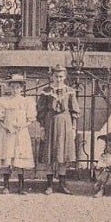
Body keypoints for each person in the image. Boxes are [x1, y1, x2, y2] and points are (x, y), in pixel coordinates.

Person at [36, 64, 79, 195]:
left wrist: (73, 127)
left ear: (64, 77)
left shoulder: (70, 91)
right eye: (56, 76)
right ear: (52, 77)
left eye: (61, 76)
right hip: (50, 123)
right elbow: (41, 111)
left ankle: (62, 184)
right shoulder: (46, 91)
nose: (58, 79)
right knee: (49, 154)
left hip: (65, 123)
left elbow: (74, 111)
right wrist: (42, 127)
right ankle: (49, 185)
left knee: (63, 154)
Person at [0, 74, 36, 194]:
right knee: (7, 157)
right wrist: (6, 127)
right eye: (12, 87)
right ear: (9, 87)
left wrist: (22, 126)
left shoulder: (27, 101)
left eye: (17, 87)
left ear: (22, 88)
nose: (15, 90)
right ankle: (6, 186)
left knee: (19, 158)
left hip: (21, 133)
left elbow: (30, 119)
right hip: (7, 133)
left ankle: (21, 187)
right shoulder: (4, 101)